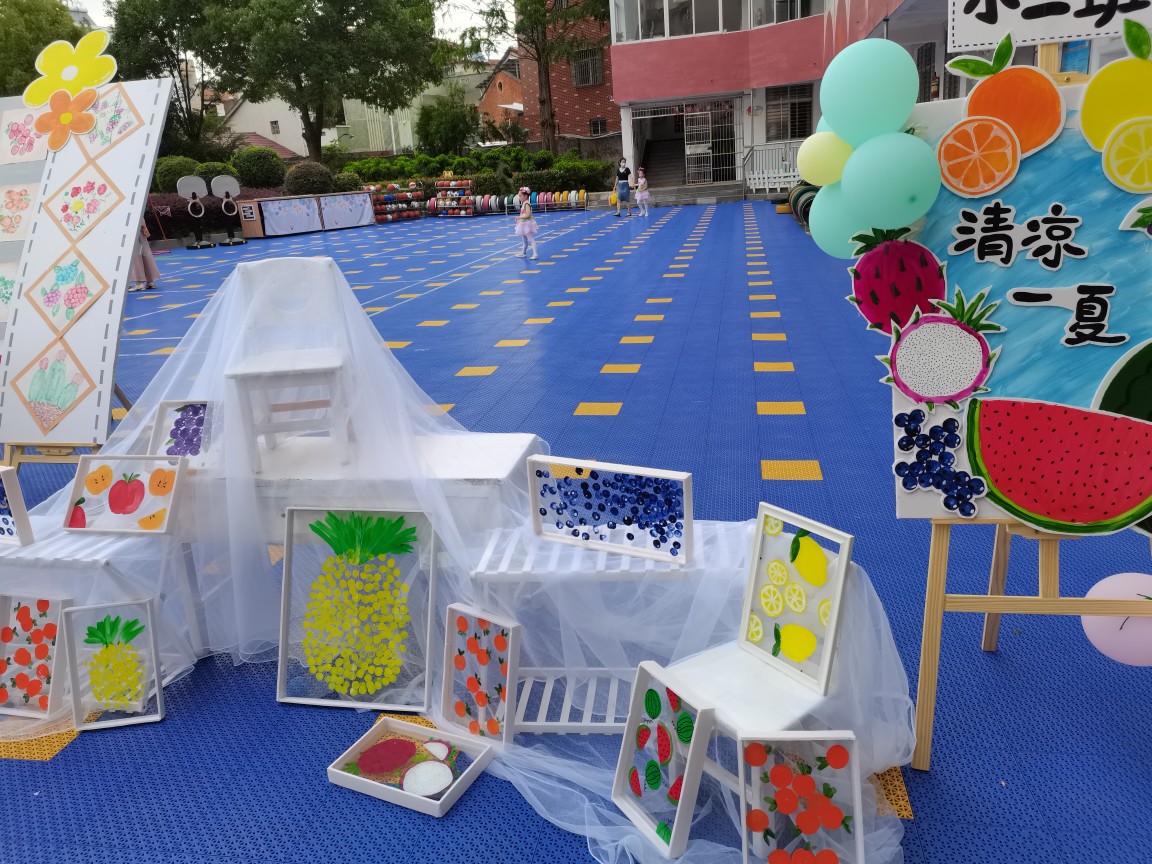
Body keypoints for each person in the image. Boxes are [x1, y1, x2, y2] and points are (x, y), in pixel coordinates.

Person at [128, 220, 160, 291]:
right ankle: (150, 281)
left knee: (135, 256)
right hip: (140, 228)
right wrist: (144, 227)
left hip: (131, 229)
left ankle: (139, 283)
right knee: (145, 254)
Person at [514, 186, 539, 259]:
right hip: (523, 223)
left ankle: (535, 254)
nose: (519, 198)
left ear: (525, 196)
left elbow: (528, 215)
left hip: (527, 224)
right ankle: (523, 252)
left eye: (520, 196)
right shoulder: (524, 203)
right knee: (524, 240)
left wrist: (519, 217)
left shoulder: (527, 204)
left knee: (530, 239)